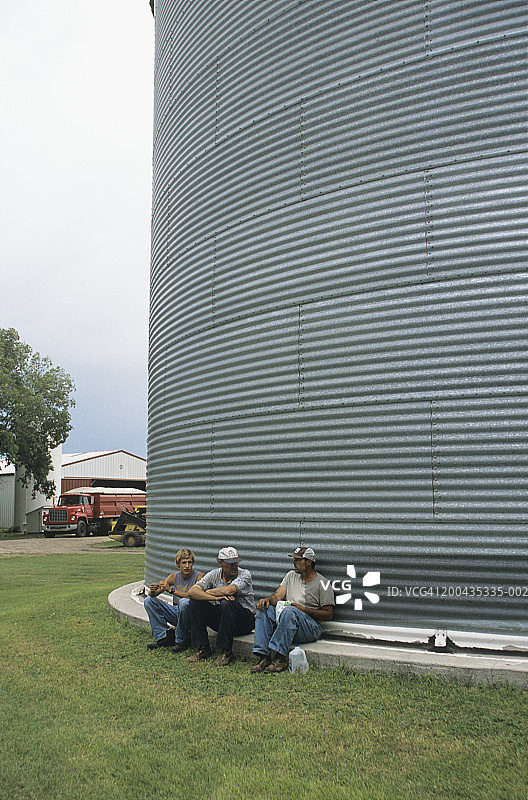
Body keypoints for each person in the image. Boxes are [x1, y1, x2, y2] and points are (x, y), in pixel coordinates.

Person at [251, 545, 335, 673]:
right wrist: (267, 600)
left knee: (290, 611)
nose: (293, 563)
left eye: (297, 560)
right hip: (289, 622)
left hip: (310, 628)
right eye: (294, 559)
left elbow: (328, 614)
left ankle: (280, 658)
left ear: (308, 562)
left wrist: (302, 609)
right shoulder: (291, 575)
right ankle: (264, 656)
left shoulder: (323, 583)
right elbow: (277, 596)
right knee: (265, 608)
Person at [187, 546, 256, 666]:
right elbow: (192, 592)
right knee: (195, 602)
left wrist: (206, 592)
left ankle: (226, 651)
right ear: (220, 563)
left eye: (236, 563)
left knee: (227, 603)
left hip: (244, 620)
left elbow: (229, 590)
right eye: (230, 564)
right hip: (224, 619)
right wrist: (214, 597)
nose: (234, 566)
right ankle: (203, 647)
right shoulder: (213, 574)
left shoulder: (244, 574)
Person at [144, 548, 204, 651]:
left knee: (184, 602)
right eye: (184, 563)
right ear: (178, 564)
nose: (187, 566)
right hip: (177, 612)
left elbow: (194, 596)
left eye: (189, 562)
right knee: (148, 601)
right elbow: (154, 594)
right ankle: (164, 637)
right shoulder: (173, 577)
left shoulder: (199, 577)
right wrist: (153, 590)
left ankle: (181, 641)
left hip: (192, 616)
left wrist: (172, 591)